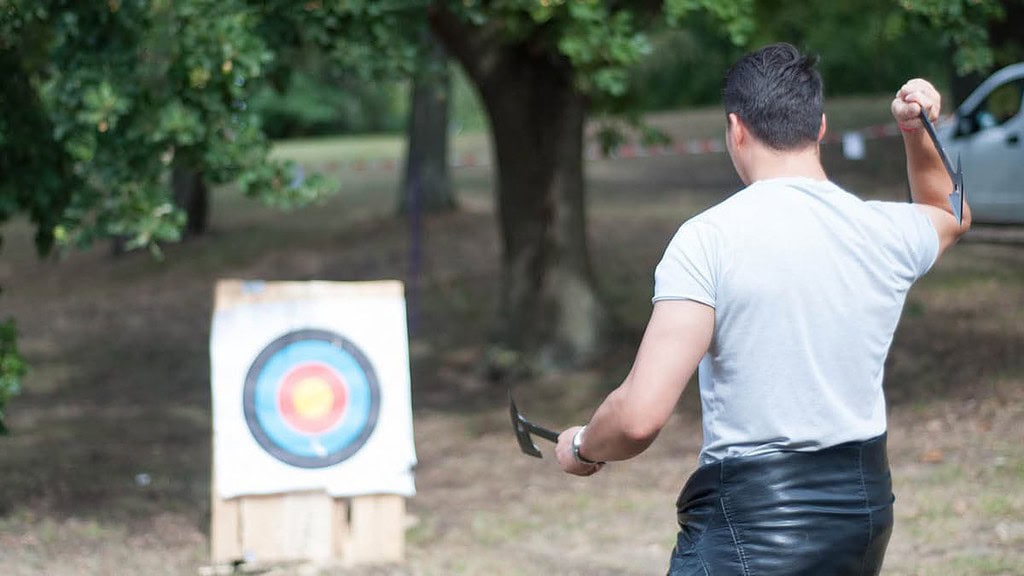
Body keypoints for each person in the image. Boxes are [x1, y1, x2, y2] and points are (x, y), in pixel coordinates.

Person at [554, 42, 971, 575]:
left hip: (751, 531)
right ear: (819, 127)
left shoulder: (709, 240)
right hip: (862, 513)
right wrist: (917, 132)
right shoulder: (881, 231)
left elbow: (637, 419)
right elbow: (949, 210)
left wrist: (585, 445)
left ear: (736, 128)